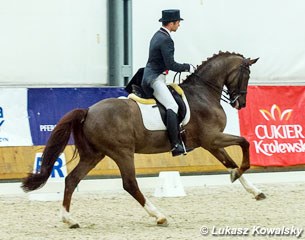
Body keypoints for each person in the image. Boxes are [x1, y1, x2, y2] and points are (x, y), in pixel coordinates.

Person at [141, 9, 195, 157]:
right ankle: (176, 145)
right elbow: (171, 64)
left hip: (151, 75)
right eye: (178, 23)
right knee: (173, 105)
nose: (179, 25)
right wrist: (187, 67)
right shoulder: (166, 40)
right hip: (155, 79)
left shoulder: (157, 35)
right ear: (171, 23)